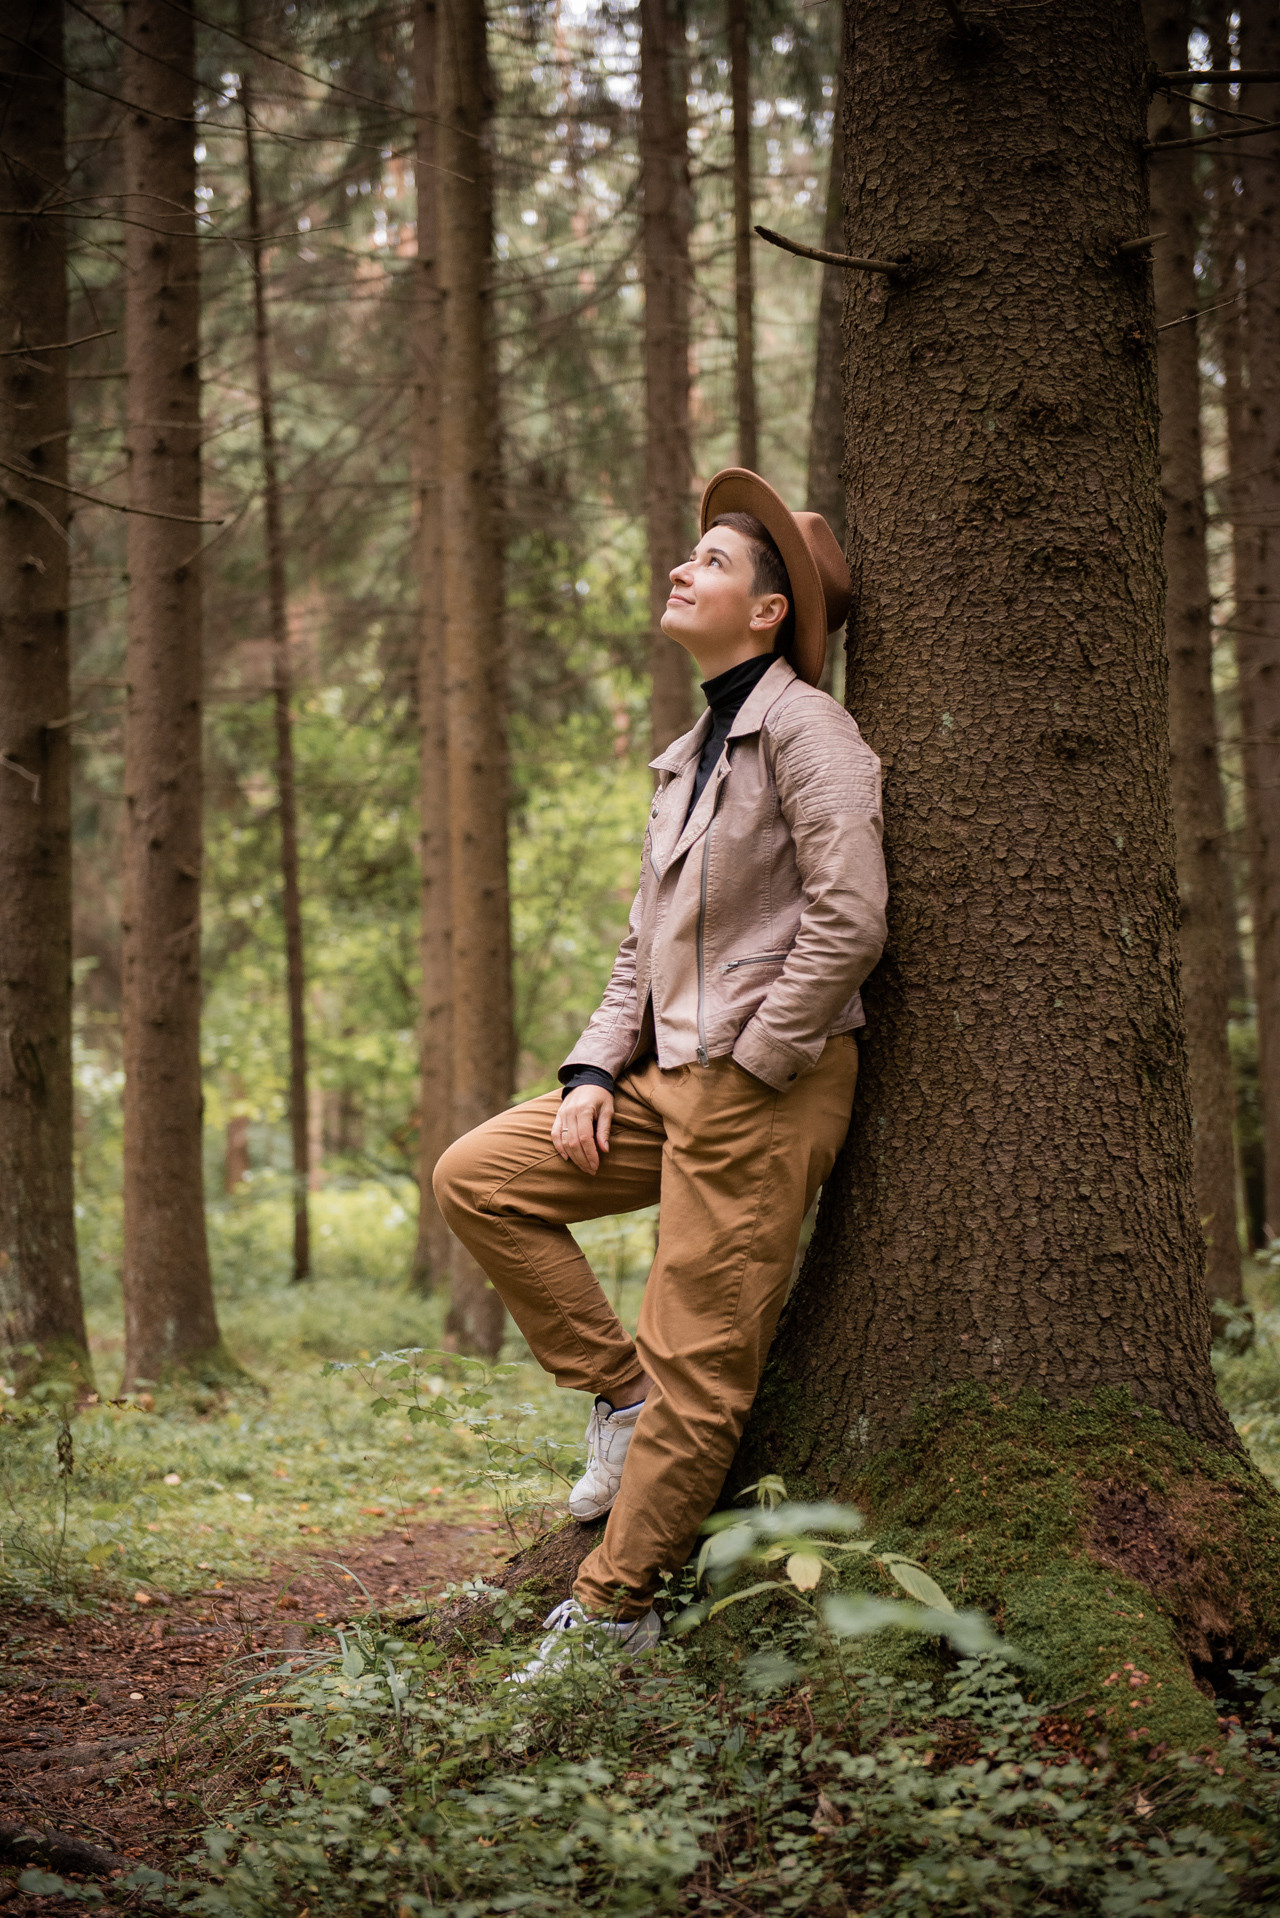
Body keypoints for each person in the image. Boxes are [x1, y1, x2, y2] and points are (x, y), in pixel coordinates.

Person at [433, 467, 888, 1675]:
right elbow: (644, 944)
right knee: (480, 1175)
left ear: (768, 610)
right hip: (662, 1080)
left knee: (703, 1362)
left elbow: (849, 919)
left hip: (765, 1085)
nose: (679, 570)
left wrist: (755, 1061)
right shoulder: (688, 752)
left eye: (711, 562)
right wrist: (589, 1071)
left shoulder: (809, 730)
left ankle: (615, 1607)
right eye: (686, 556)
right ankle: (614, 1396)